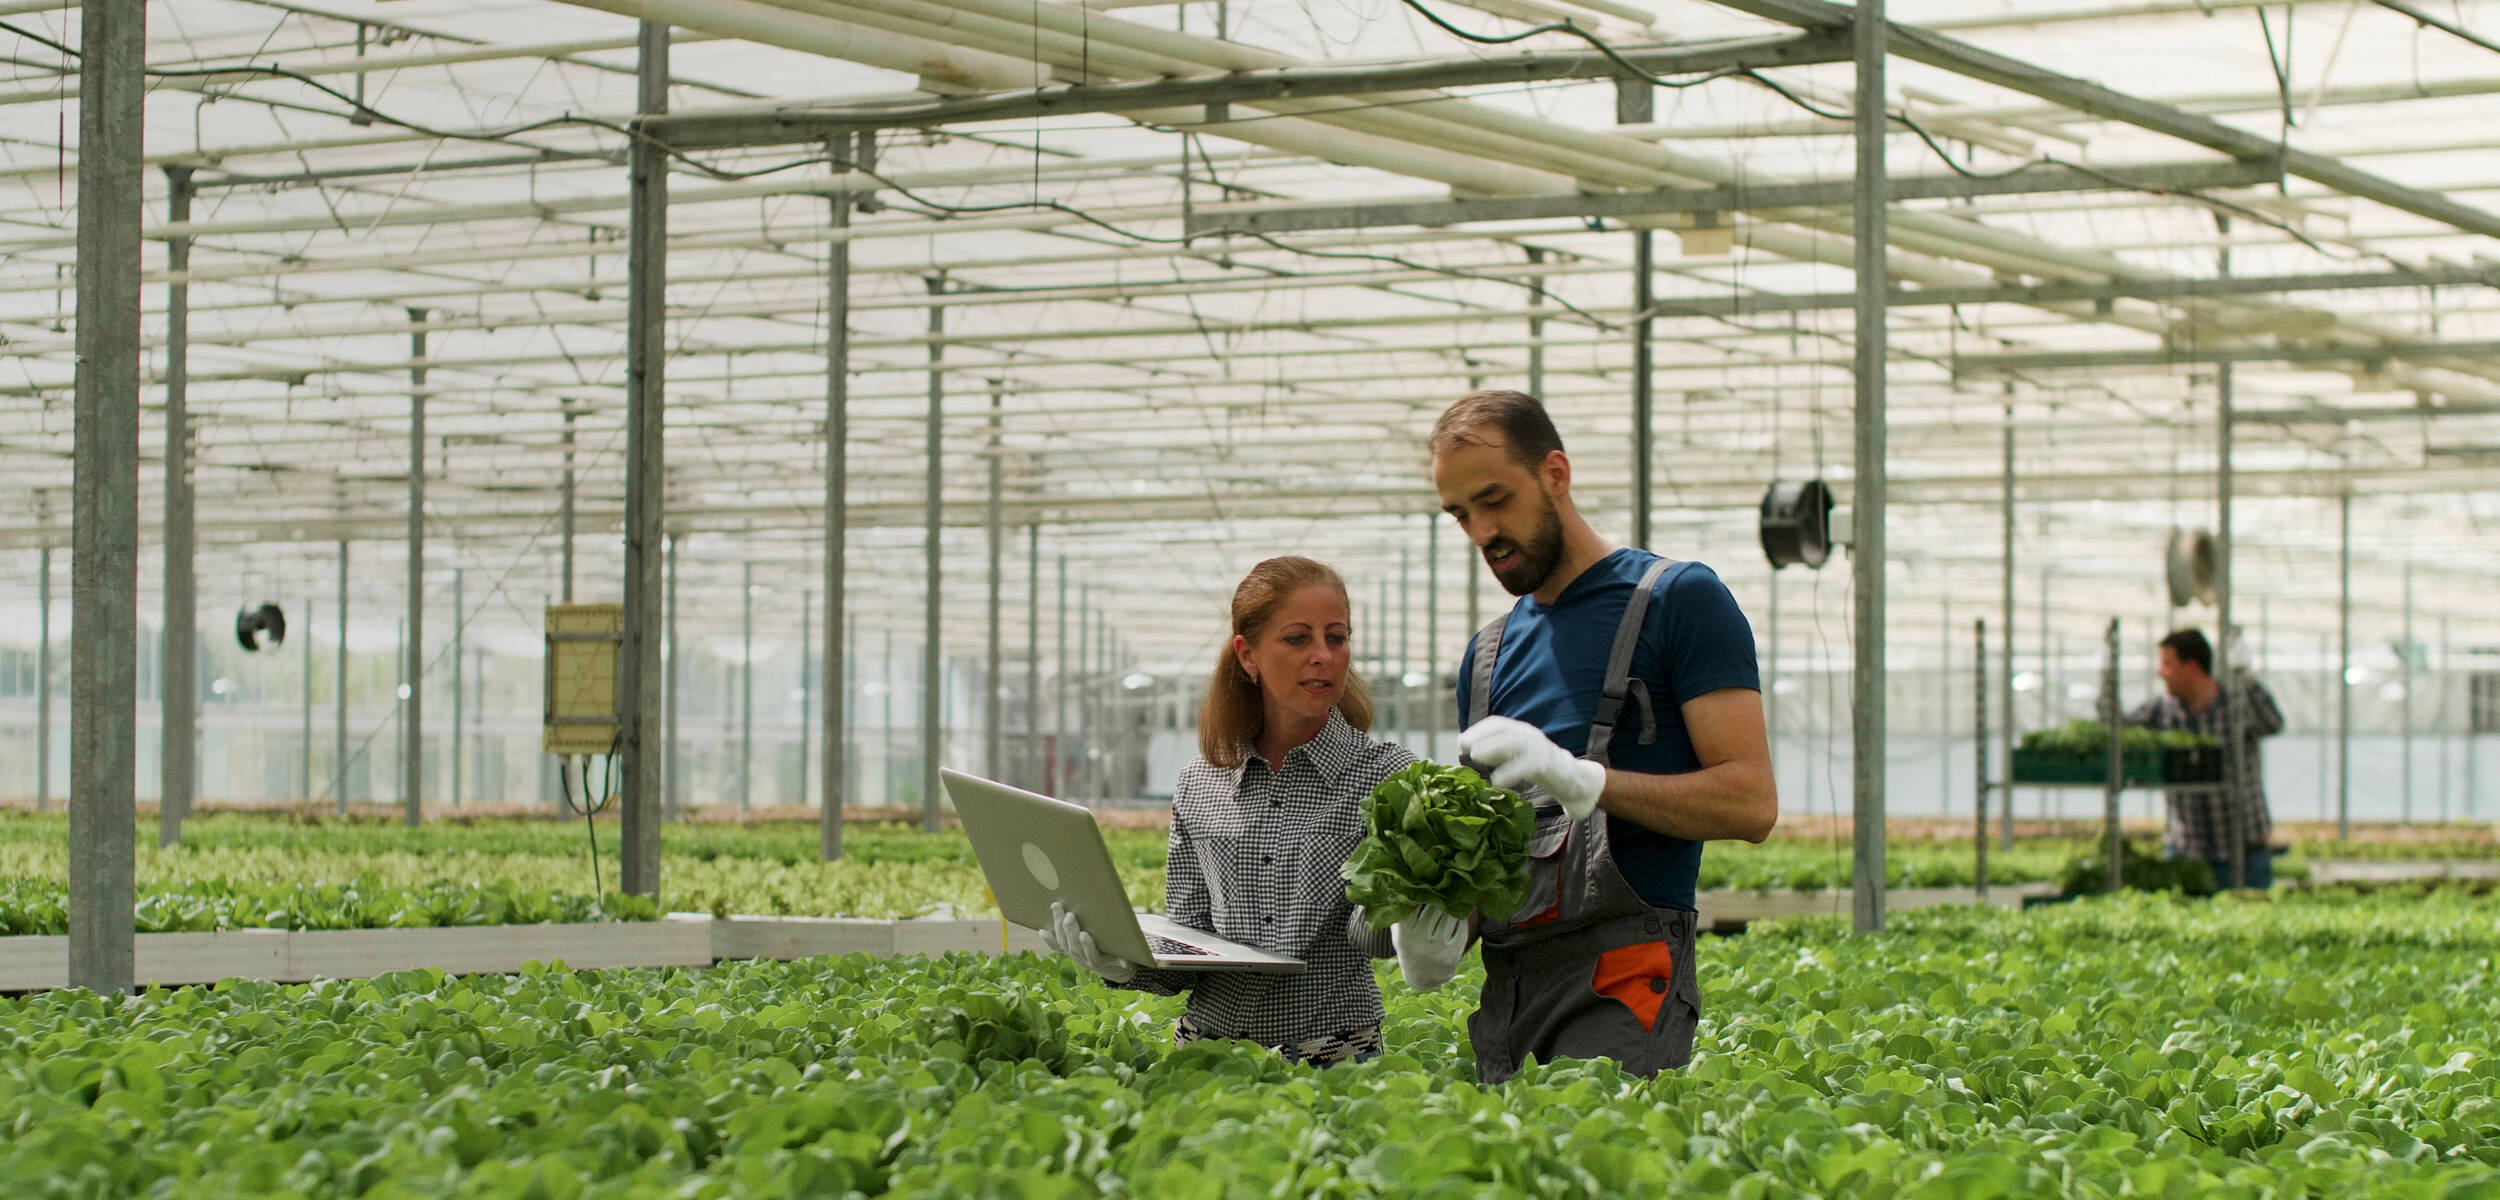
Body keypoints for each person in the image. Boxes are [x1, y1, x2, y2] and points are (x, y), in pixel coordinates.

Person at [1415, 389, 1777, 1085]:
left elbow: (1751, 803)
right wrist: (1436, 926)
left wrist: (1588, 781)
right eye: (1461, 514)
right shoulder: (1486, 656)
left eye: (1496, 499)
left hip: (1623, 978)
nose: (1482, 530)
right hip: (1509, 989)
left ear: (1556, 473)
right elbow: (1490, 854)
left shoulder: (1677, 601)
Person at [1038, 556, 1425, 1066]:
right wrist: (1122, 961)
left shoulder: (1387, 777)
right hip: (1205, 1056)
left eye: (1336, 637)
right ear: (1248, 656)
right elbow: (1191, 938)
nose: (1323, 656)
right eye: (1297, 638)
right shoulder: (1201, 782)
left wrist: (1416, 910)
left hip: (1333, 1057)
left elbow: (1375, 938)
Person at [2125, 627, 2285, 889]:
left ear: (2192, 667)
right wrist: (2105, 679)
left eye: (2167, 664)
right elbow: (2115, 731)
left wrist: (2247, 678)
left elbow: (2274, 723)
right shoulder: (2162, 710)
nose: (2160, 672)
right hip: (2186, 853)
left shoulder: (2235, 704)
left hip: (2244, 853)